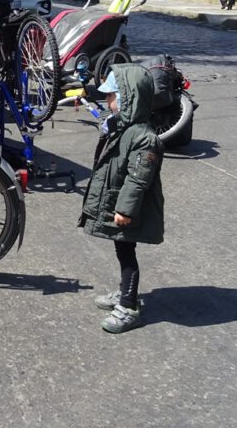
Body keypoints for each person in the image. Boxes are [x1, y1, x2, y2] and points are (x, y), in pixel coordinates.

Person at [79, 65, 164, 334]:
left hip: (131, 210)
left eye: (112, 96)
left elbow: (138, 179)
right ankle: (124, 293)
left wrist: (125, 210)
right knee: (122, 250)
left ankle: (129, 306)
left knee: (128, 256)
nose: (107, 100)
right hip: (121, 206)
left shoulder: (144, 138)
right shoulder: (124, 128)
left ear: (129, 98)